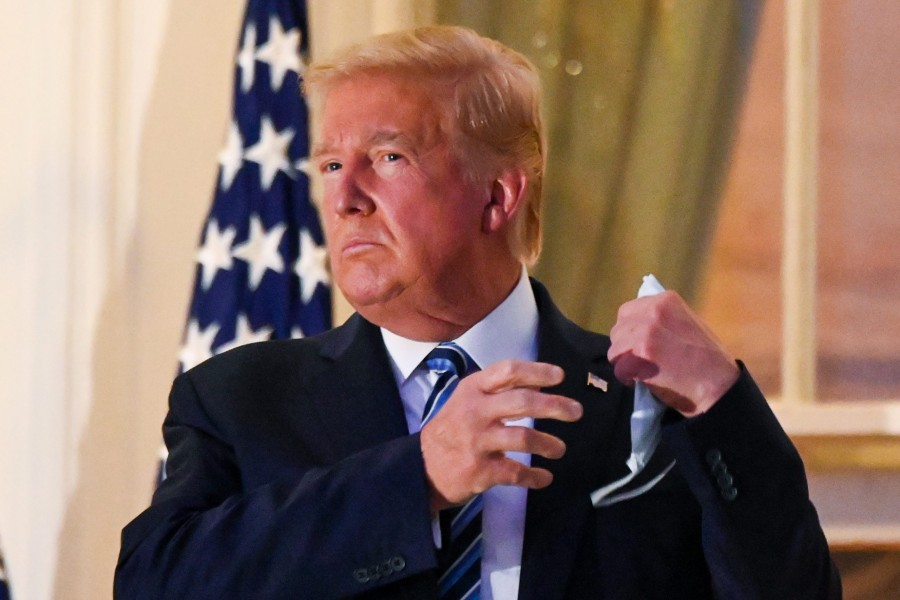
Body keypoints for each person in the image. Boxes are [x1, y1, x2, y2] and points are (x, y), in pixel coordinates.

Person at [115, 25, 840, 599]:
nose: (344, 198)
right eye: (332, 165)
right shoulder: (240, 400)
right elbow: (153, 584)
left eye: (388, 157)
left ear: (498, 197)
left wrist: (722, 404)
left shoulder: (643, 403)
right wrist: (418, 477)